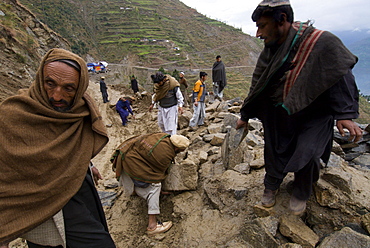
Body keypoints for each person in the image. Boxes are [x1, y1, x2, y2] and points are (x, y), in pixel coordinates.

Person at [236, 0, 363, 215]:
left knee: (309, 153)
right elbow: (259, 82)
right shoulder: (270, 49)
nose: (258, 33)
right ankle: (271, 186)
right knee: (274, 150)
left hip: (315, 114)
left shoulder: (321, 42)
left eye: (262, 25)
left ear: (282, 20)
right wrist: (245, 114)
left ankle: (301, 190)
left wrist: (345, 114)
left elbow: (339, 74)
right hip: (279, 113)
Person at [0, 48, 116, 247]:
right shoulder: (12, 115)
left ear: (79, 89)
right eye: (50, 84)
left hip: (77, 184)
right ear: (40, 79)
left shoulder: (79, 110)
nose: (56, 95)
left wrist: (87, 164)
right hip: (41, 204)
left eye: (68, 89)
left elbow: (73, 144)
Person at [110, 133, 190, 235]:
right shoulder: (166, 153)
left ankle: (135, 190)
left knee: (149, 181)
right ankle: (152, 225)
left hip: (127, 155)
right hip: (132, 162)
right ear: (176, 148)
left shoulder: (161, 136)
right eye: (180, 151)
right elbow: (159, 173)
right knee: (156, 185)